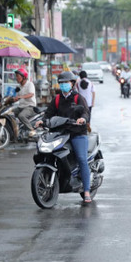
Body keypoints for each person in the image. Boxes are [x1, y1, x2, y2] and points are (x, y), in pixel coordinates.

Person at [36, 71, 92, 203]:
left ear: (72, 84)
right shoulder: (56, 99)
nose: (63, 85)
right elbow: (48, 114)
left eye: (66, 83)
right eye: (61, 83)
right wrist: (42, 121)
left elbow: (85, 112)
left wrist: (82, 119)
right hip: (61, 133)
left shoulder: (78, 98)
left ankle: (87, 190)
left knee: (81, 159)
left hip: (77, 133)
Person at [13, 68, 37, 136]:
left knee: (21, 115)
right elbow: (17, 97)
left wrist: (20, 97)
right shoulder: (19, 86)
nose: (16, 78)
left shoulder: (30, 84)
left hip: (30, 107)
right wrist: (12, 99)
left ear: (23, 77)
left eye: (18, 76)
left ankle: (31, 130)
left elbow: (31, 94)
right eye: (16, 76)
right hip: (21, 106)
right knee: (10, 113)